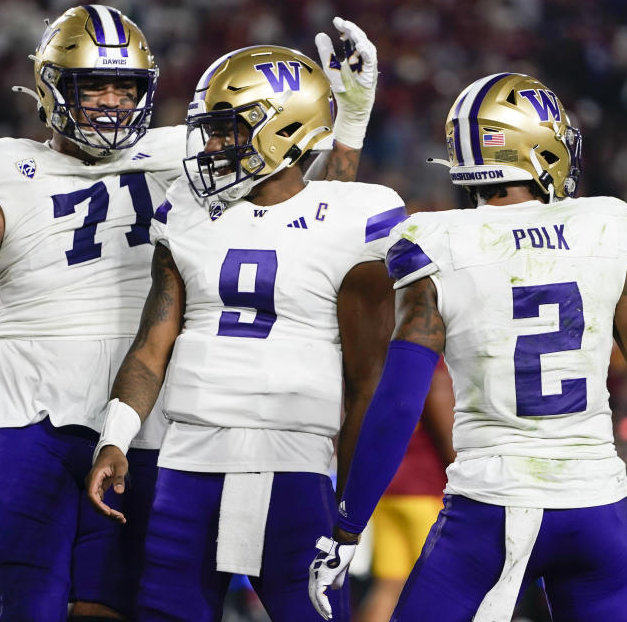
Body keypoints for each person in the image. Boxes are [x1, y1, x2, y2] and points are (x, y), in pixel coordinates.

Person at [0, 5, 377, 622]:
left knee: (112, 606)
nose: (112, 102)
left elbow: (301, 216)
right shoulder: (2, 169)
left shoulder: (186, 154)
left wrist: (348, 125)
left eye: (126, 86)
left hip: (147, 415)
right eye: (95, 85)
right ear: (51, 85)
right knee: (20, 604)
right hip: (28, 406)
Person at [307, 72, 627, 621]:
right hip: (596, 509)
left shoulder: (439, 242)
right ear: (538, 148)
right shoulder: (601, 229)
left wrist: (346, 529)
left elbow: (398, 402)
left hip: (489, 509)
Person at [85, 43, 405, 622]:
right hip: (188, 461)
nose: (209, 146)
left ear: (283, 130)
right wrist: (115, 435)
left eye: (227, 129)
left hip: (293, 462)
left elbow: (367, 382)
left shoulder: (355, 215)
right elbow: (151, 345)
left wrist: (350, 510)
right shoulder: (187, 208)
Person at [357, 360, 454, 622]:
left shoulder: (381, 357)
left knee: (389, 587)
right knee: (440, 591)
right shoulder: (428, 357)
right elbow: (446, 430)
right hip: (426, 491)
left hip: (385, 489)